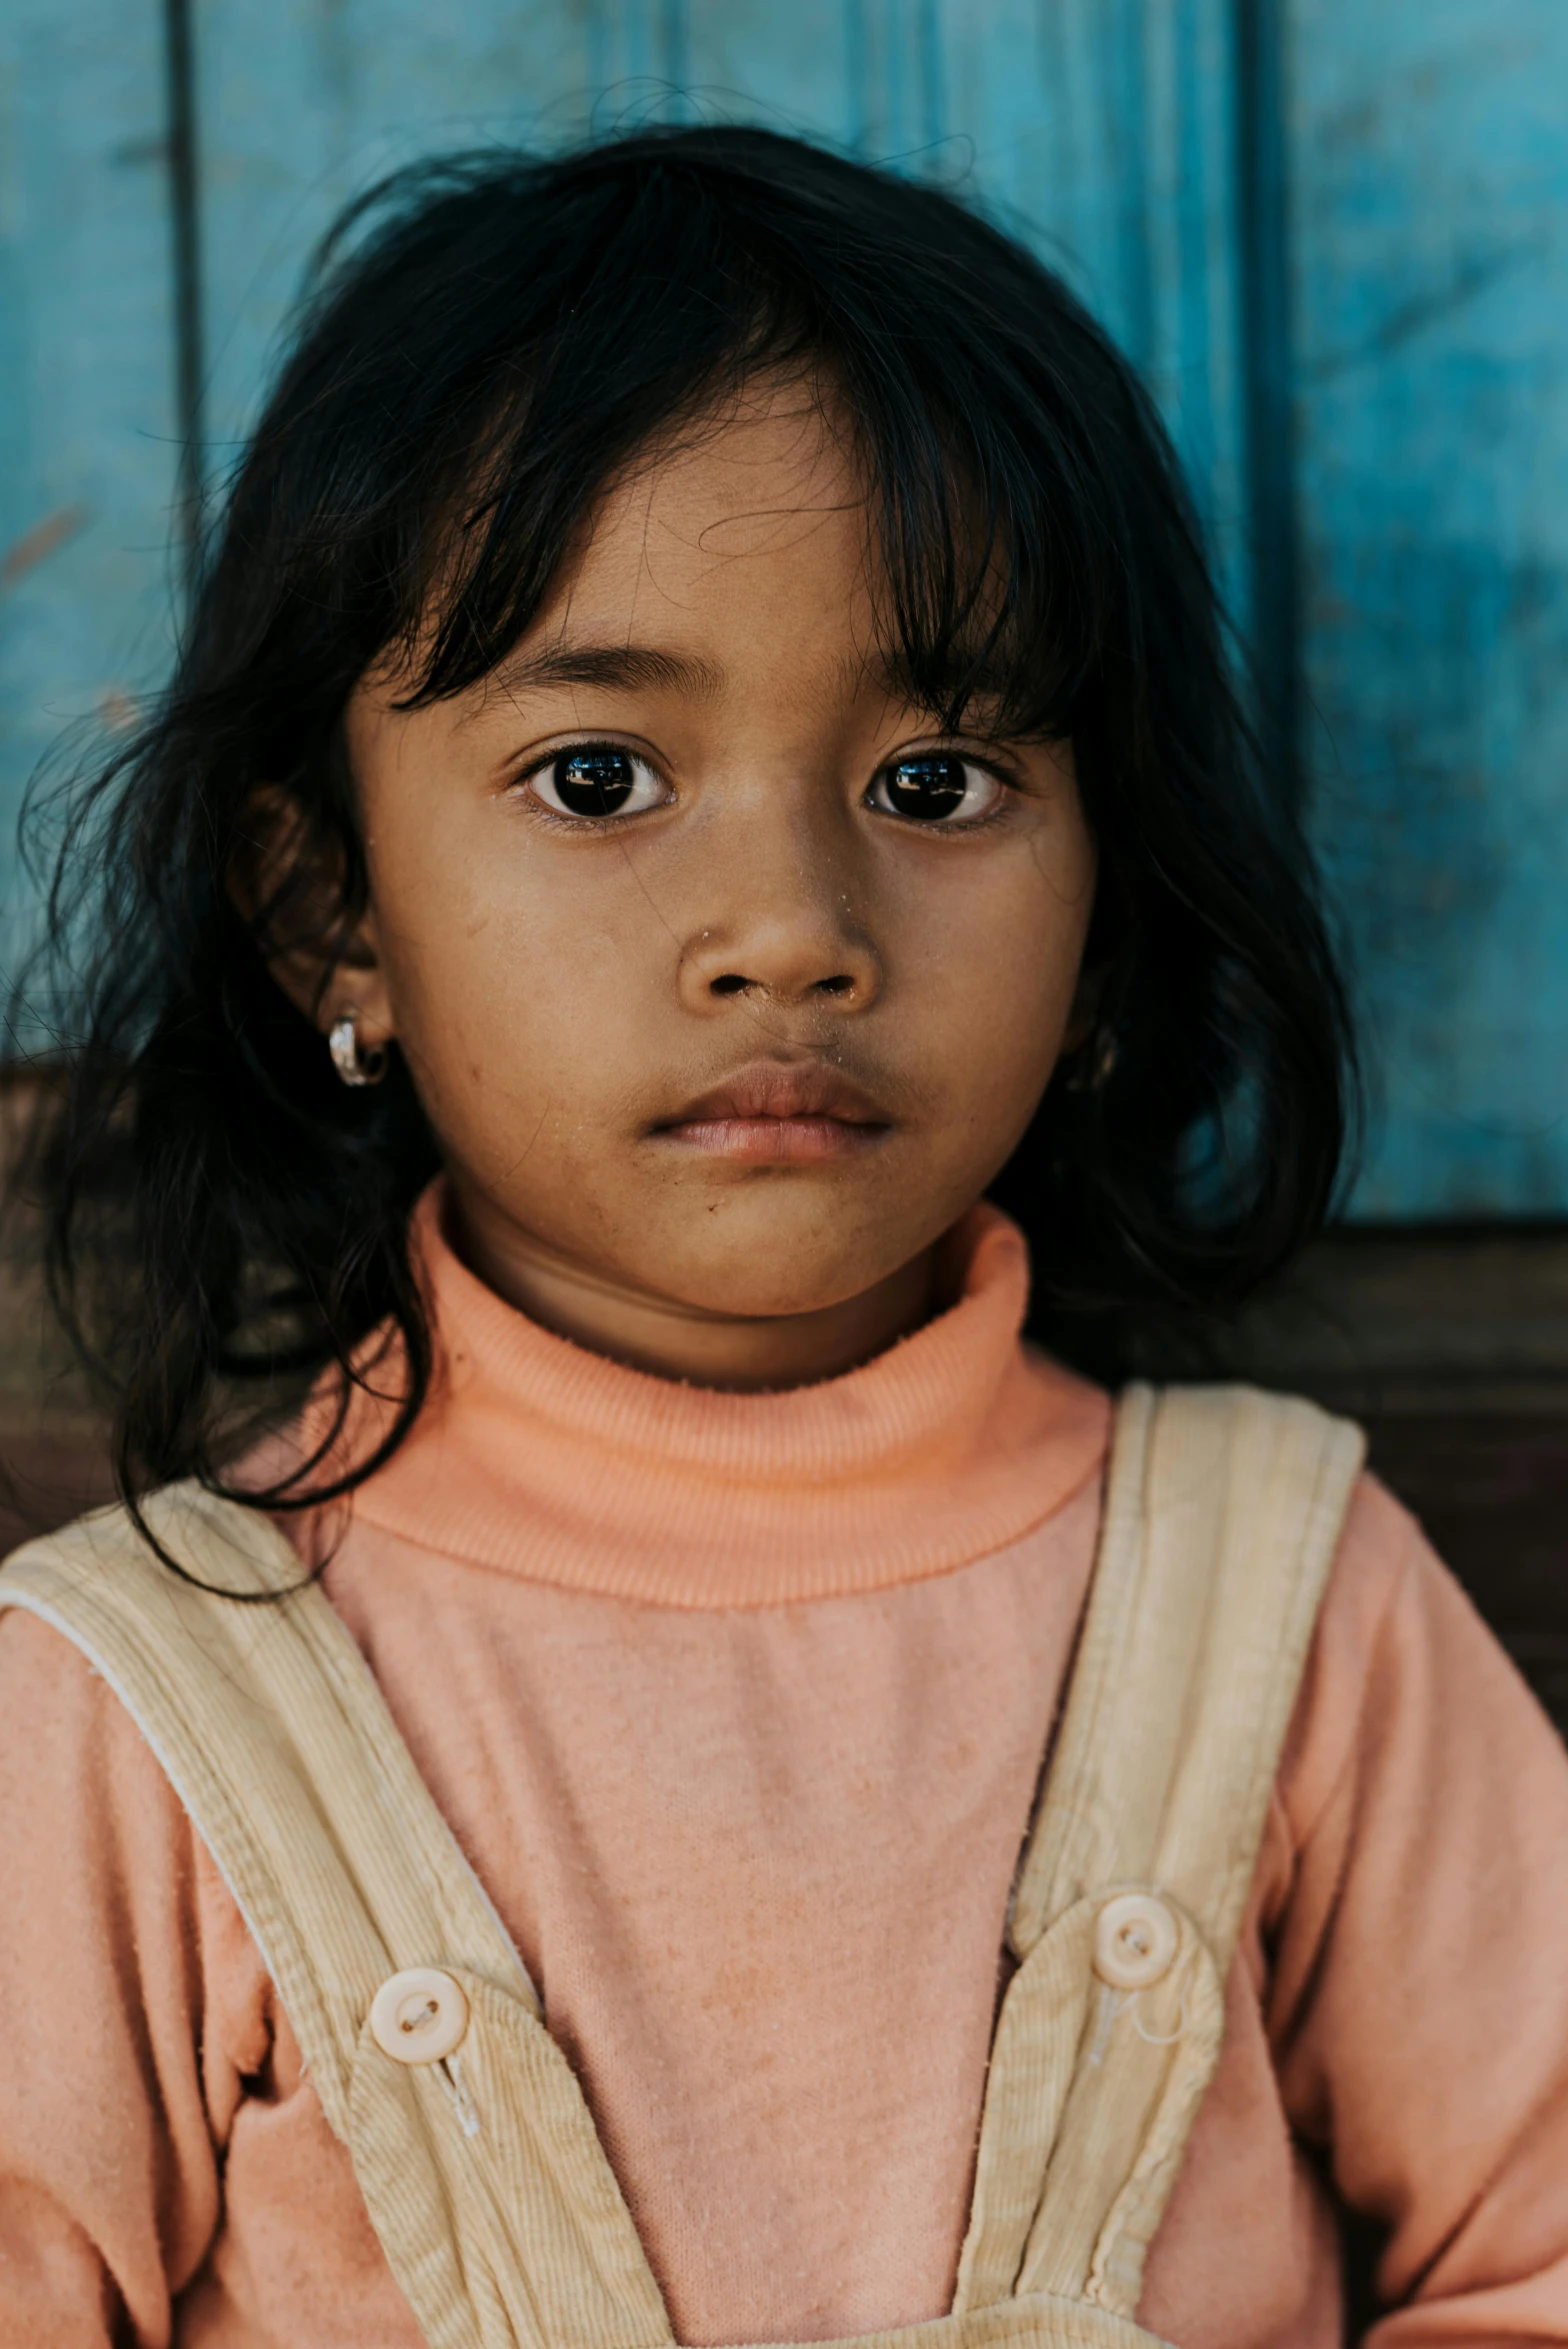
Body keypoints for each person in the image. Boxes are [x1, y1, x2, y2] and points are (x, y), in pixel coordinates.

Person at [1, 127, 1564, 2349]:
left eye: (934, 786)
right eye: (599, 777)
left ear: (1109, 913)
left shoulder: (1279, 1603)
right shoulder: (124, 1714)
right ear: (328, 906)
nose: (789, 934)